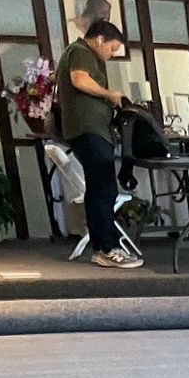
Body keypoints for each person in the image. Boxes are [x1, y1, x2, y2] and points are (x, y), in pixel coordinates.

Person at [58, 18, 143, 271]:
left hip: (90, 131)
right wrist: (109, 94)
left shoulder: (82, 53)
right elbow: (79, 79)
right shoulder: (80, 51)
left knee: (99, 188)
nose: (112, 54)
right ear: (99, 40)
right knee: (104, 189)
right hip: (89, 130)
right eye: (112, 48)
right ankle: (107, 248)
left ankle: (103, 247)